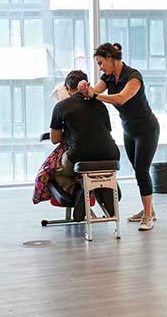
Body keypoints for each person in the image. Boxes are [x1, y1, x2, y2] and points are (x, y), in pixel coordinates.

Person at [83, 43, 160, 232]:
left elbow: (121, 98)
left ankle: (148, 215)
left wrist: (95, 96)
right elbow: (96, 90)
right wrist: (84, 89)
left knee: (142, 171)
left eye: (101, 63)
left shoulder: (133, 76)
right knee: (138, 171)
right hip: (129, 131)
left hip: (147, 130)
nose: (100, 67)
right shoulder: (108, 77)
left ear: (110, 57)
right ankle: (149, 209)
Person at [49, 70, 120, 220]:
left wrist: (68, 130)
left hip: (79, 154)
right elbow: (105, 130)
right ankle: (106, 188)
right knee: (97, 169)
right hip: (111, 154)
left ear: (67, 88)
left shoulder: (61, 106)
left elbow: (54, 139)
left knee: (57, 173)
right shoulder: (100, 104)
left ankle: (78, 192)